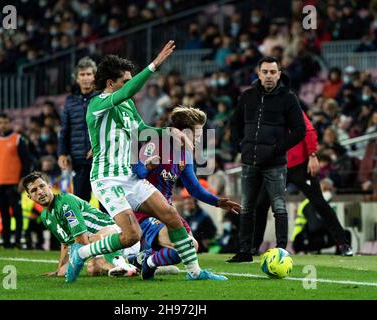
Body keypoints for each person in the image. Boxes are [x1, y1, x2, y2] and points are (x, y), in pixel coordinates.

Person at [75, 40, 238, 283]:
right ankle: (98, 254)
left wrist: (218, 201)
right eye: (125, 81)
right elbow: (138, 167)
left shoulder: (182, 151)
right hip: (120, 187)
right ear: (111, 83)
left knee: (187, 242)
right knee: (134, 236)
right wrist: (153, 66)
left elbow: (192, 185)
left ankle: (154, 263)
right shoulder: (100, 105)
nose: (200, 136)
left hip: (147, 196)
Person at [131, 106, 240, 269]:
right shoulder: (156, 144)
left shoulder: (186, 154)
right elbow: (135, 172)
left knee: (192, 247)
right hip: (145, 209)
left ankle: (146, 260)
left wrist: (217, 202)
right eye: (196, 134)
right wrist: (147, 166)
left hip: (166, 210)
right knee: (183, 247)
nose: (199, 138)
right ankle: (144, 258)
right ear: (183, 132)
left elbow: (194, 188)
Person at [228, 57, 306, 262]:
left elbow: (300, 130)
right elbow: (234, 123)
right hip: (249, 162)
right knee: (246, 206)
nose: (269, 76)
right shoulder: (247, 96)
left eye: (273, 72)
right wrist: (240, 145)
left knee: (278, 206)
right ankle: (245, 251)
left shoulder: (288, 98)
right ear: (259, 73)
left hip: (275, 163)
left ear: (279, 74)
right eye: (265, 72)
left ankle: (281, 251)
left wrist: (277, 149)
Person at [248, 112, 353, 257]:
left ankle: (343, 244)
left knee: (320, 203)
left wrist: (312, 155)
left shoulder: (290, 104)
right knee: (261, 204)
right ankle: (252, 247)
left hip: (301, 166)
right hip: (277, 166)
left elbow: (308, 130)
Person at [21, 172, 138, 277]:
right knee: (92, 268)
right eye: (34, 190)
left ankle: (125, 263)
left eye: (42, 186)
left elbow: (82, 241)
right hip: (96, 246)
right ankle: (132, 266)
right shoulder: (45, 217)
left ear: (49, 186)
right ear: (29, 197)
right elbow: (66, 244)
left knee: (90, 241)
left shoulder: (65, 203)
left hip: (118, 234)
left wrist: (72, 264)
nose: (40, 192)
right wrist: (59, 270)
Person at [0, 113, 31, 248]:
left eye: (5, 122)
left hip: (14, 182)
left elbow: (26, 162)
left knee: (17, 213)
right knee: (4, 213)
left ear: (10, 123)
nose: (3, 125)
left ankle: (18, 240)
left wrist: (23, 180)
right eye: (0, 122)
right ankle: (6, 242)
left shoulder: (18, 139)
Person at [58, 57, 98, 202]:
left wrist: (97, 146)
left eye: (89, 74)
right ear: (76, 78)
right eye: (82, 74)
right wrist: (62, 153)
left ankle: (109, 226)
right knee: (81, 203)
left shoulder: (103, 97)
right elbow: (65, 130)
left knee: (106, 204)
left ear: (94, 76)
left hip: (101, 159)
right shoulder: (70, 101)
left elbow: (109, 128)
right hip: (79, 160)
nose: (86, 78)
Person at [290, 178, 352, 254]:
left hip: (318, 235)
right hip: (302, 239)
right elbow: (314, 226)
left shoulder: (329, 204)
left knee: (345, 234)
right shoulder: (308, 204)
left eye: (330, 190)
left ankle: (341, 256)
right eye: (325, 189)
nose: (328, 192)